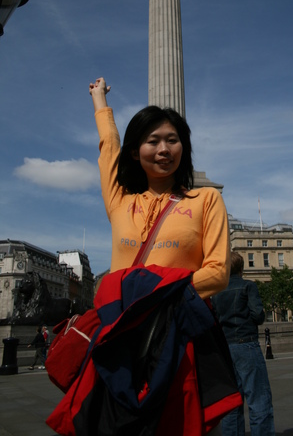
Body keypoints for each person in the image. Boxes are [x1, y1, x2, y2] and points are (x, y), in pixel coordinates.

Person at [86, 76, 236, 434]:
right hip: (119, 334)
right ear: (137, 150)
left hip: (178, 333)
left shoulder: (206, 200)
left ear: (184, 148)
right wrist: (100, 102)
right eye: (153, 141)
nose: (164, 149)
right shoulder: (120, 200)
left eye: (173, 140)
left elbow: (217, 272)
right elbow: (108, 148)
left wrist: (153, 299)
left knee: (177, 422)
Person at [212, 252, 275, 436]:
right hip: (246, 343)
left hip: (225, 347)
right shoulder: (248, 286)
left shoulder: (216, 291)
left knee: (232, 402)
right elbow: (258, 315)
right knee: (258, 399)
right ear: (242, 268)